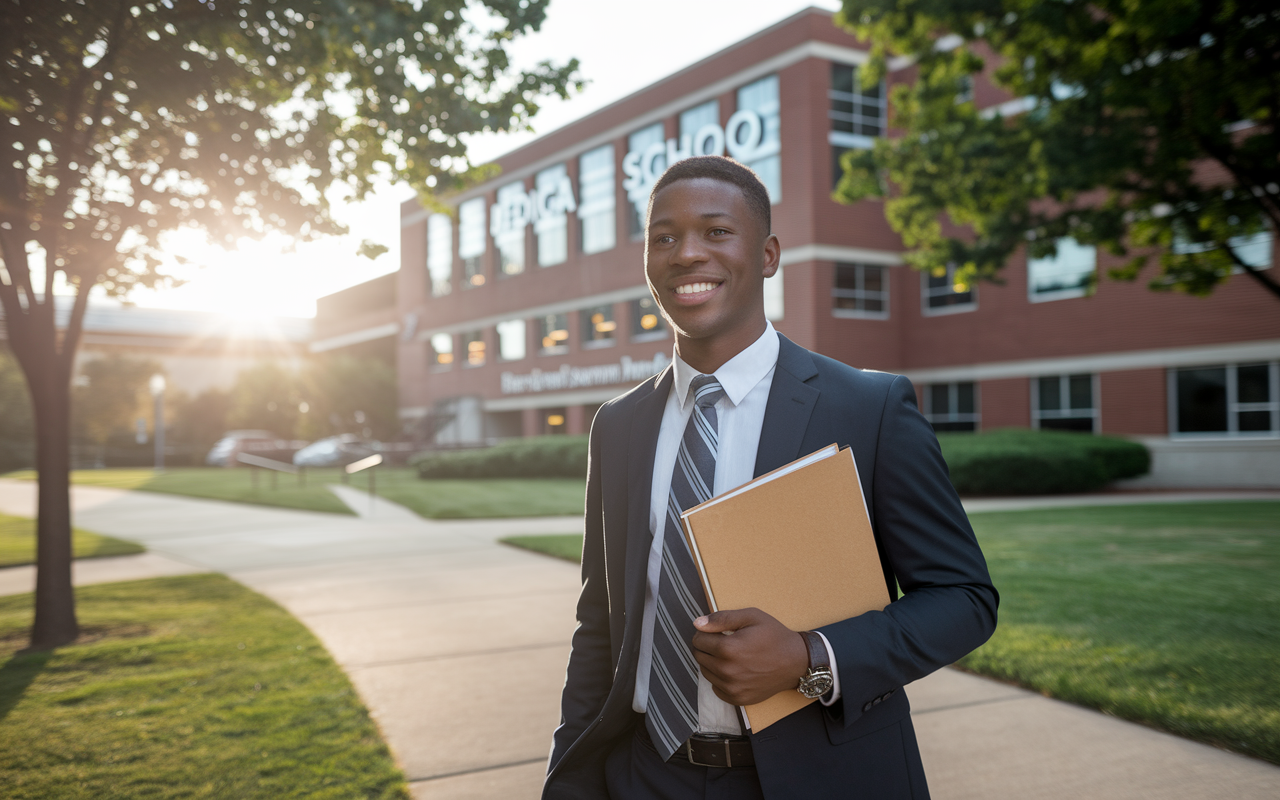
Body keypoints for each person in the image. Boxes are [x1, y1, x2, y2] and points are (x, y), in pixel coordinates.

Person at [543, 155, 997, 799]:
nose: (685, 254)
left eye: (716, 231)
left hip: (813, 777)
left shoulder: (866, 408)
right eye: (663, 237)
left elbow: (963, 599)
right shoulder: (617, 426)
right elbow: (601, 624)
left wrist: (810, 657)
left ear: (768, 255)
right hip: (641, 775)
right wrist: (569, 779)